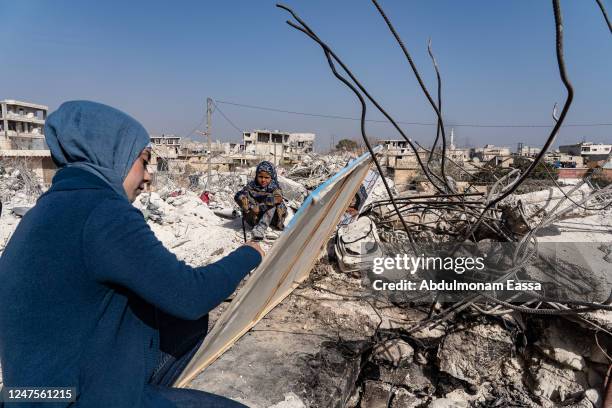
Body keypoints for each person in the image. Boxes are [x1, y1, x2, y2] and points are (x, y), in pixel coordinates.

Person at [0, 101, 263, 407]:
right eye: (144, 160)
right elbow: (191, 294)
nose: (148, 175)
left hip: (30, 395)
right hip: (75, 400)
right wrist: (250, 253)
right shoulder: (103, 212)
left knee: (179, 321)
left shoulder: (47, 209)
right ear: (114, 155)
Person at [234, 161, 287, 240]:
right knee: (245, 196)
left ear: (271, 177)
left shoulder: (274, 188)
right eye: (260, 177)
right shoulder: (252, 185)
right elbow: (238, 195)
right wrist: (243, 202)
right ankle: (256, 224)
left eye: (266, 177)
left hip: (272, 218)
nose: (263, 180)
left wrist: (260, 207)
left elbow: (278, 199)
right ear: (256, 176)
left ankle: (261, 228)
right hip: (254, 217)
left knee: (273, 203)